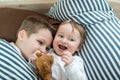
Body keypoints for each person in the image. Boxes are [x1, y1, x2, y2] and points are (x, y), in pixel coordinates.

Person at [0, 15, 56, 80]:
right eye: (40, 42)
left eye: (47, 48)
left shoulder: (35, 71)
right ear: (22, 35)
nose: (44, 51)